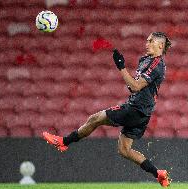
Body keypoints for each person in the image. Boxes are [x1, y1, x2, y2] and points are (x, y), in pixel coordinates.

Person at [43, 32, 172, 187]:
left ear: (160, 45)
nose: (147, 43)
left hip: (135, 109)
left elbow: (135, 86)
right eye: (147, 40)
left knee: (95, 119)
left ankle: (64, 141)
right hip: (142, 112)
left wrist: (121, 67)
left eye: (151, 41)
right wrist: (126, 73)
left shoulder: (157, 64)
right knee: (124, 150)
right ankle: (158, 174)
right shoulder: (145, 60)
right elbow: (134, 87)